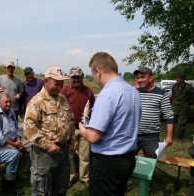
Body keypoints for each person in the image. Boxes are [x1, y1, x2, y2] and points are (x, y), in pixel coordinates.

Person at [78, 52, 141, 196]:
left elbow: (93, 136)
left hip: (108, 162)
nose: (94, 80)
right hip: (128, 158)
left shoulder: (107, 94)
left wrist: (82, 129)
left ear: (98, 71)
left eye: (93, 75)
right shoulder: (133, 91)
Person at [24, 67, 76, 196]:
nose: (60, 87)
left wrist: (72, 138)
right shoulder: (36, 102)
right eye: (57, 84)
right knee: (42, 189)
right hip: (44, 155)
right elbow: (29, 129)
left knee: (61, 187)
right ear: (45, 81)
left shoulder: (63, 99)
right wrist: (47, 145)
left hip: (63, 153)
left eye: (62, 84)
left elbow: (70, 120)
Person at [60, 66, 95, 188]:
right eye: (73, 77)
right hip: (69, 129)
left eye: (78, 77)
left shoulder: (88, 91)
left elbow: (93, 109)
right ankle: (70, 176)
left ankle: (84, 177)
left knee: (84, 155)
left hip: (84, 128)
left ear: (82, 77)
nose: (76, 79)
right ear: (70, 77)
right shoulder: (64, 91)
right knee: (68, 155)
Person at [134, 67, 174, 159]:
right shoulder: (134, 92)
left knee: (150, 163)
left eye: (142, 77)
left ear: (150, 78)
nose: (139, 80)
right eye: (138, 77)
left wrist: (169, 136)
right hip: (132, 135)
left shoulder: (162, 94)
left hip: (151, 137)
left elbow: (169, 115)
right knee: (126, 161)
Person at [171, 74, 192, 139]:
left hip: (184, 107)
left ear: (182, 79)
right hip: (175, 107)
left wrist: (187, 104)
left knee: (182, 123)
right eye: (176, 78)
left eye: (178, 78)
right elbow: (173, 96)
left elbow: (192, 97)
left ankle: (180, 137)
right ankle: (170, 135)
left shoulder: (188, 87)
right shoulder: (174, 86)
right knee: (171, 121)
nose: (176, 79)